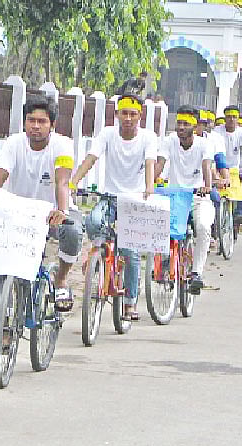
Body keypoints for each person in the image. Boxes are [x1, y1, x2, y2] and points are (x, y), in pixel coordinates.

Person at [0, 94, 81, 358]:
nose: (35, 126)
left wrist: (62, 210)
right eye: (31, 120)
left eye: (42, 121)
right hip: (15, 214)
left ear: (52, 125)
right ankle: (4, 330)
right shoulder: (13, 144)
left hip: (49, 215)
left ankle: (61, 279)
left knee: (72, 231)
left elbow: (62, 181)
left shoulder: (63, 146)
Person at [69, 91, 157, 321]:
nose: (128, 118)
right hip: (110, 196)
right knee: (94, 221)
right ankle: (96, 254)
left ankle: (130, 302)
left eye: (133, 114)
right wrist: (74, 182)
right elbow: (91, 158)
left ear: (140, 116)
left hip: (134, 200)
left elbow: (150, 164)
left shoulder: (148, 138)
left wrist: (149, 188)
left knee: (131, 252)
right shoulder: (107, 134)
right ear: (116, 114)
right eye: (124, 113)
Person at [155, 106, 214, 294]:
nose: (181, 127)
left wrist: (207, 185)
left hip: (198, 196)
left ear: (195, 127)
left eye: (186, 124)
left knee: (204, 227)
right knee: (160, 226)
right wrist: (149, 183)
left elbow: (206, 167)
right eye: (179, 123)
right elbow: (160, 164)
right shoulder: (169, 140)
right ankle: (164, 261)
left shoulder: (204, 145)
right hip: (175, 196)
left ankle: (196, 272)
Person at [221, 105, 242, 226]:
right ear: (225, 118)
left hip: (236, 169)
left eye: (234, 117)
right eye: (229, 117)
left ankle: (240, 212)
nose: (231, 119)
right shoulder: (218, 131)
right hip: (220, 168)